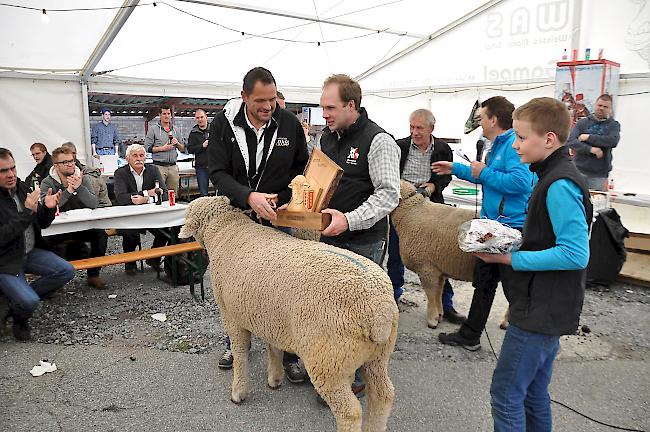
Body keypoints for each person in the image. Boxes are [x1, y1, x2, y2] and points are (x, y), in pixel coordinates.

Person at [480, 97, 592, 430]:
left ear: (548, 139)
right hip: (547, 305)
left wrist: (508, 257)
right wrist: (510, 239)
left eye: (521, 137)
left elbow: (575, 253)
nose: (514, 145)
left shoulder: (559, 183)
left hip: (540, 310)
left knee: (505, 393)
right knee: (532, 392)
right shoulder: (549, 174)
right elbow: (549, 236)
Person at [208, 67, 309, 382]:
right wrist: (248, 196)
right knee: (237, 288)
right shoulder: (222, 125)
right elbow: (217, 171)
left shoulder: (289, 123)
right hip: (238, 219)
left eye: (272, 100)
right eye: (260, 101)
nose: (268, 107)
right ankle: (235, 344)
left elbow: (299, 166)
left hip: (277, 219)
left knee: (285, 288)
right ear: (244, 97)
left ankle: (289, 353)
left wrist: (279, 197)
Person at [318, 74, 401, 396]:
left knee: (358, 310)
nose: (324, 114)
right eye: (323, 107)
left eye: (330, 108)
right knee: (330, 306)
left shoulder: (379, 141)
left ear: (351, 105)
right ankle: (334, 365)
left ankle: (355, 376)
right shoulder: (327, 137)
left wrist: (350, 221)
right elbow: (318, 179)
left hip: (364, 240)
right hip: (329, 235)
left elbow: (388, 195)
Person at [432, 96, 534, 351]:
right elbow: (486, 176)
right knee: (484, 281)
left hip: (509, 228)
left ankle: (530, 338)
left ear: (493, 119)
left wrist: (483, 172)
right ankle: (471, 335)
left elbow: (520, 183)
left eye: (482, 117)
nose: (478, 121)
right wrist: (456, 168)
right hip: (494, 226)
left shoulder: (511, 145)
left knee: (511, 285)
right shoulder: (498, 144)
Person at [390, 109, 465, 323]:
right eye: (411, 127)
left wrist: (434, 185)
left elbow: (446, 177)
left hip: (432, 209)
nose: (414, 132)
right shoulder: (400, 146)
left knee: (441, 257)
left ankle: (447, 305)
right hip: (403, 208)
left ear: (432, 128)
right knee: (396, 253)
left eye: (419, 128)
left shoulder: (442, 149)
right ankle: (393, 297)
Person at [0, 148, 74, 341]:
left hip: (30, 251)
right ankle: (20, 319)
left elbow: (41, 222)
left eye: (13, 168)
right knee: (30, 301)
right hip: (6, 261)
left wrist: (49, 208)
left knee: (66, 271)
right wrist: (26, 213)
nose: (11, 174)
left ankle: (13, 303)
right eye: (4, 171)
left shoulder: (22, 187)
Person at [40, 147, 108, 289]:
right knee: (44, 241)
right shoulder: (48, 182)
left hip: (81, 226)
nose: (70, 164)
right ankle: (52, 280)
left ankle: (93, 275)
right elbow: (49, 208)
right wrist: (69, 191)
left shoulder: (82, 178)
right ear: (56, 166)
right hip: (58, 228)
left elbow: (93, 203)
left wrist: (80, 188)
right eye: (65, 162)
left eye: (71, 160)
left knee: (101, 234)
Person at [113, 144, 169, 276]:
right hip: (128, 215)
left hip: (150, 214)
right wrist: (147, 193)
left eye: (141, 155)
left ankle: (154, 258)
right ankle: (130, 263)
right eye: (135, 156)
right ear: (127, 158)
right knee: (130, 233)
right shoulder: (120, 173)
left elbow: (164, 194)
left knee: (167, 230)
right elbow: (121, 198)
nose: (139, 158)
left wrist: (146, 199)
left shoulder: (153, 170)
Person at [567, 94, 621, 191]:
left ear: (610, 109)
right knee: (574, 201)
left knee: (596, 204)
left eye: (605, 107)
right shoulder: (582, 123)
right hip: (578, 171)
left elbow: (613, 141)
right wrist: (590, 149)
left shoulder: (614, 125)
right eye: (599, 105)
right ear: (595, 105)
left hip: (599, 175)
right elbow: (571, 141)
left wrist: (588, 137)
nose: (601, 108)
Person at [145, 105, 185, 194]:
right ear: (159, 115)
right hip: (159, 167)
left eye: (168, 113)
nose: (167, 116)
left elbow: (183, 149)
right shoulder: (153, 129)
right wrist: (162, 148)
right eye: (164, 114)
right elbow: (147, 148)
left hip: (173, 167)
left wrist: (177, 143)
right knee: (159, 193)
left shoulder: (176, 130)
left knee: (173, 194)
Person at [61, 142, 111, 207]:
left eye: (73, 153)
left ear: (76, 153)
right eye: (67, 153)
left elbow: (92, 202)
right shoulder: (55, 176)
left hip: (100, 209)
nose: (71, 156)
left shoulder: (88, 174)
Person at [187, 109, 212, 196]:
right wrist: (202, 146)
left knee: (220, 191)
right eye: (198, 118)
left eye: (202, 117)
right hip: (201, 167)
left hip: (215, 165)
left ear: (206, 118)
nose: (200, 119)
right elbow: (190, 149)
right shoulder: (193, 133)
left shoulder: (214, 129)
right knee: (203, 193)